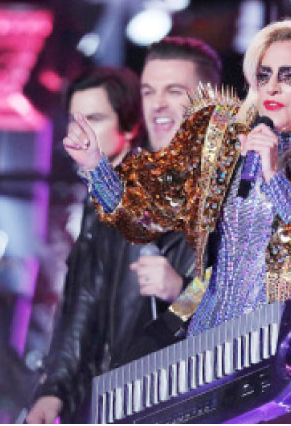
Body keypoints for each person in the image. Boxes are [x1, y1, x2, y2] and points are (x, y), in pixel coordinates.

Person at [64, 18, 291, 423]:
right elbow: (148, 209)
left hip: (284, 360)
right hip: (205, 354)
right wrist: (97, 167)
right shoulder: (222, 141)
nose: (272, 87)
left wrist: (275, 177)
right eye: (264, 74)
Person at [28, 40, 223, 424]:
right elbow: (85, 302)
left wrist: (179, 291)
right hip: (117, 398)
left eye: (174, 91)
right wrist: (56, 388)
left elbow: (238, 293)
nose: (158, 104)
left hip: (187, 400)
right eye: (149, 91)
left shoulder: (233, 184)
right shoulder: (126, 192)